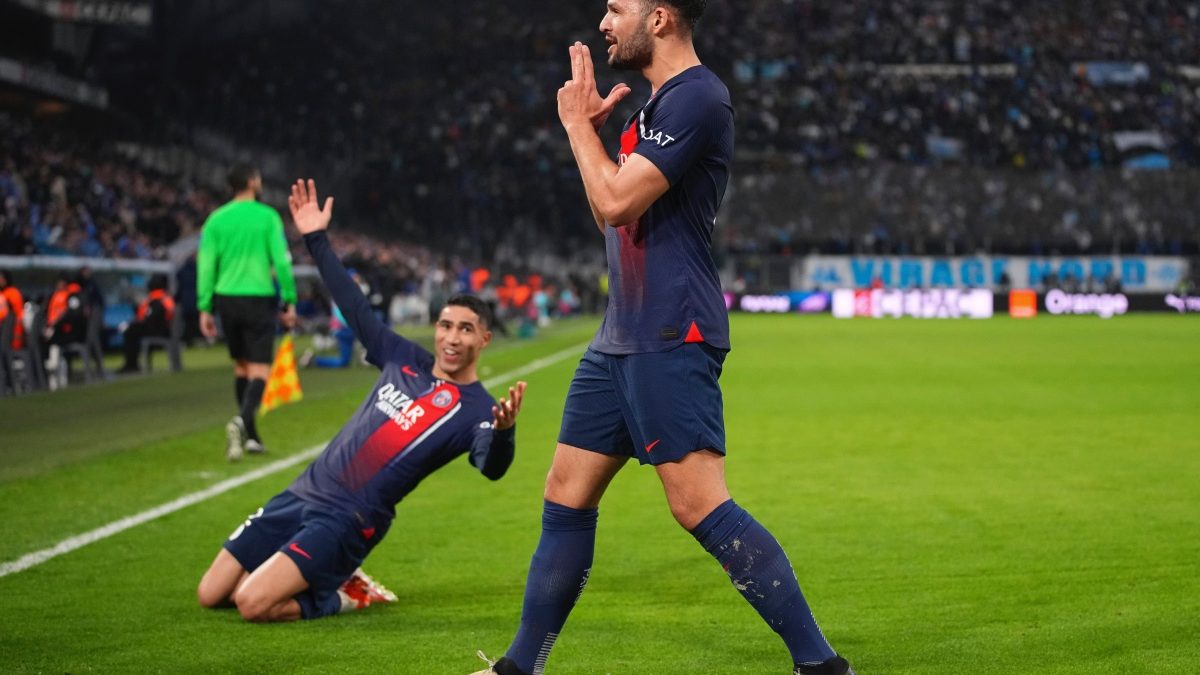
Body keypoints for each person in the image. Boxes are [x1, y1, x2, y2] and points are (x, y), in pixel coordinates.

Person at [473, 3, 853, 674]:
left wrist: (575, 127)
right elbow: (609, 213)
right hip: (619, 335)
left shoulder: (698, 97)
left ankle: (822, 665)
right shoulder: (649, 110)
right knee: (565, 492)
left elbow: (617, 201)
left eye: (617, 8)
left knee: (699, 504)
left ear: (660, 18)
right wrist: (591, 137)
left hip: (672, 328)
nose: (604, 21)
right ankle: (519, 667)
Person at [196, 178, 528, 623]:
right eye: (446, 325)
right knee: (212, 593)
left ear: (484, 339)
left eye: (465, 329)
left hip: (347, 520)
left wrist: (504, 434)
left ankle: (347, 593)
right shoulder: (401, 356)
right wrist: (315, 238)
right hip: (303, 491)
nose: (452, 338)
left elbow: (491, 466)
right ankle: (311, 573)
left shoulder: (477, 410)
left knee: (252, 602)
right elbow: (353, 305)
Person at [197, 163, 298, 461]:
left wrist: (204, 306)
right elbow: (282, 262)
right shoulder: (267, 217)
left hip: (226, 297)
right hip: (258, 297)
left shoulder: (216, 220)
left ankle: (251, 436)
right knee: (260, 371)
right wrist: (289, 298)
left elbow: (206, 265)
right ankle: (241, 423)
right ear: (253, 181)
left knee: (241, 367)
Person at [118, 274, 176, 374]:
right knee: (132, 331)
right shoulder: (166, 298)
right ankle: (132, 364)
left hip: (154, 331)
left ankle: (131, 364)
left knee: (130, 331)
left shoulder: (151, 299)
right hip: (164, 331)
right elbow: (171, 314)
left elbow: (141, 317)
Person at [43, 272, 88, 390]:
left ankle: (54, 368)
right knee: (45, 342)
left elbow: (73, 314)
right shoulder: (54, 295)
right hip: (54, 330)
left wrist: (56, 324)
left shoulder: (72, 295)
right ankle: (52, 370)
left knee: (54, 343)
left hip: (68, 331)